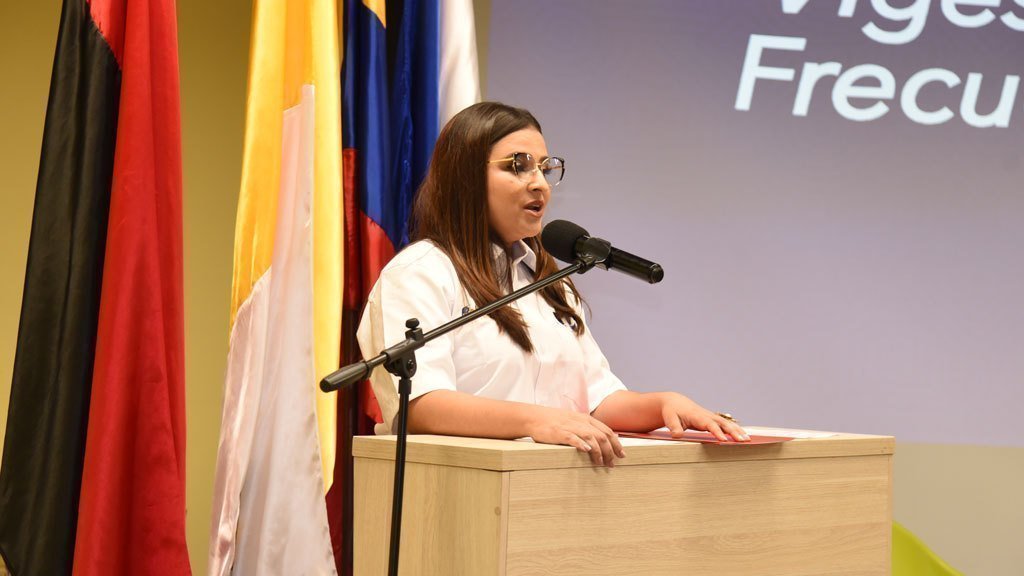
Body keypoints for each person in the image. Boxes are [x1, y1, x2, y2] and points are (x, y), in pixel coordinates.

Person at [356, 101, 748, 467]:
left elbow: (596, 401)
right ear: (465, 178)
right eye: (518, 166)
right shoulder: (421, 273)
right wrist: (536, 421)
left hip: (550, 492)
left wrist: (664, 404)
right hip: (461, 495)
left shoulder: (546, 281)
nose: (539, 183)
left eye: (545, 168)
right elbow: (420, 405)